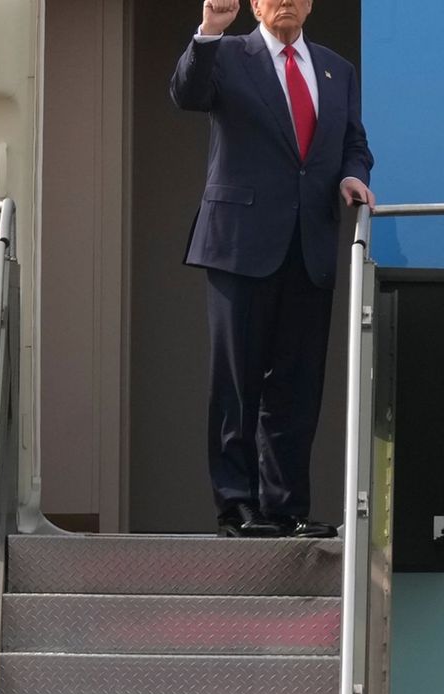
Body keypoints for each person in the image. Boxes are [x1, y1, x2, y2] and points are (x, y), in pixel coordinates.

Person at [171, 0, 375, 538]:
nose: (285, 0)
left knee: (297, 385)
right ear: (255, 5)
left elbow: (354, 142)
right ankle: (236, 505)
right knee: (238, 383)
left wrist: (352, 177)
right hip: (240, 244)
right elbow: (187, 94)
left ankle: (286, 509)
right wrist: (210, 30)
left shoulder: (336, 68)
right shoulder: (229, 54)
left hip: (310, 244)